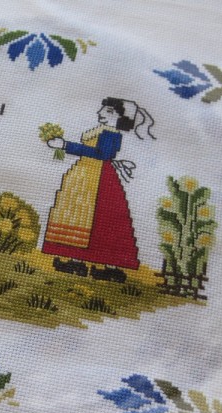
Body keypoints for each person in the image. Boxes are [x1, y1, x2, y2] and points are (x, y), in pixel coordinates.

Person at [43, 97, 155, 282]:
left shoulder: (112, 134)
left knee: (100, 218)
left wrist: (66, 145)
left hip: (99, 179)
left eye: (108, 111)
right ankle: (75, 260)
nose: (100, 113)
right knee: (77, 214)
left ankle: (108, 266)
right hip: (85, 176)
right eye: (102, 109)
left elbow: (102, 154)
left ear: (120, 118)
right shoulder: (100, 130)